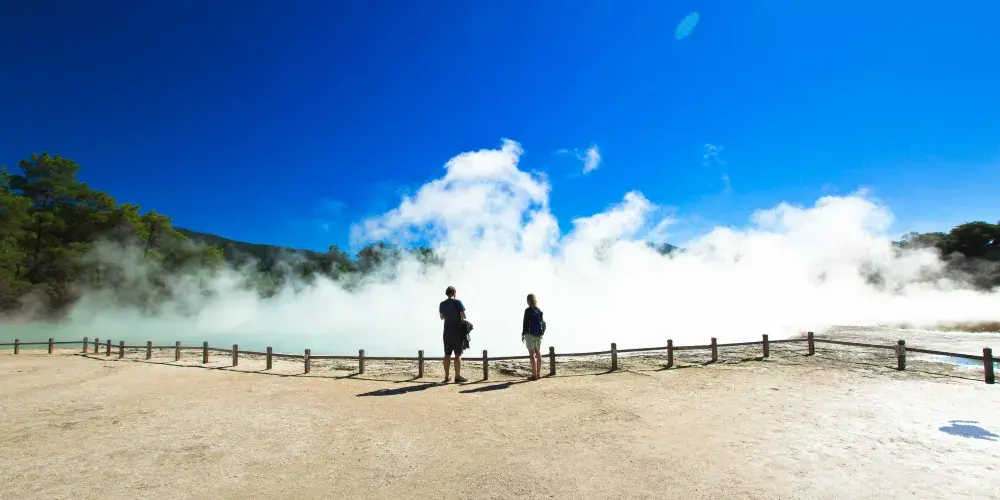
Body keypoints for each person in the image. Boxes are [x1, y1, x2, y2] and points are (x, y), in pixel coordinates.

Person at [439, 285, 468, 383]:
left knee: (447, 354)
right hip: (457, 332)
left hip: (447, 332)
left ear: (446, 293)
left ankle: (447, 377)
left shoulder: (442, 304)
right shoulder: (457, 302)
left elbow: (441, 317)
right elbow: (464, 316)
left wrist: (448, 315)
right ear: (454, 293)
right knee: (458, 355)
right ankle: (457, 377)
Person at [521, 293, 546, 381]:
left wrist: (523, 334)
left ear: (528, 301)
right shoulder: (538, 310)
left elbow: (525, 323)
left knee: (532, 354)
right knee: (538, 353)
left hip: (530, 334)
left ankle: (534, 375)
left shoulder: (527, 310)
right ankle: (538, 373)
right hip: (538, 335)